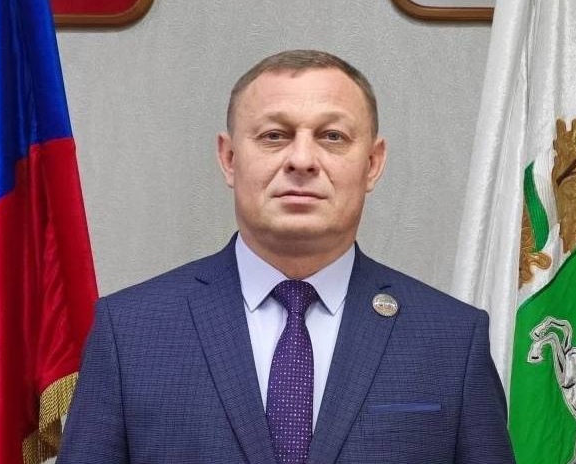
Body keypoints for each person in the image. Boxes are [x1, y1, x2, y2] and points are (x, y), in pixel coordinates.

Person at [58, 50, 515, 463]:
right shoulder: (130, 331)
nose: (302, 160)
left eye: (332, 136)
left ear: (372, 164)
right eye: (274, 135)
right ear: (229, 158)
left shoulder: (453, 339)